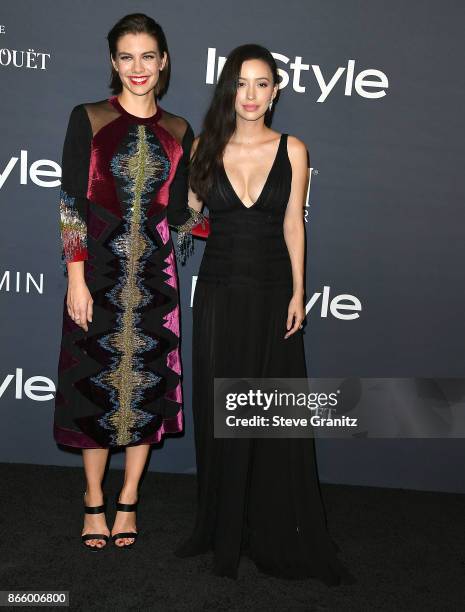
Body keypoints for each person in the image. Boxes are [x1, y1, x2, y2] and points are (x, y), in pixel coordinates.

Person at [175, 44, 354, 585]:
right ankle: (221, 524)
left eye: (262, 84)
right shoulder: (204, 147)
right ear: (229, 89)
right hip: (221, 294)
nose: (250, 95)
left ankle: (271, 521)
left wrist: (300, 293)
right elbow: (187, 218)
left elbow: (295, 225)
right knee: (222, 411)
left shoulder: (293, 149)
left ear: (276, 92)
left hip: (275, 291)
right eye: (242, 84)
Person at [54, 13, 207, 551]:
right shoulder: (89, 118)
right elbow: (71, 204)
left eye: (148, 56)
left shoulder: (181, 130)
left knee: (145, 392)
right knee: (93, 389)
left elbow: (188, 214)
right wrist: (76, 279)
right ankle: (94, 501)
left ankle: (129, 502)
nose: (138, 67)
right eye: (127, 56)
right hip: (95, 274)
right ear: (113, 62)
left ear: (163, 61)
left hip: (155, 280)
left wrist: (232, 192)